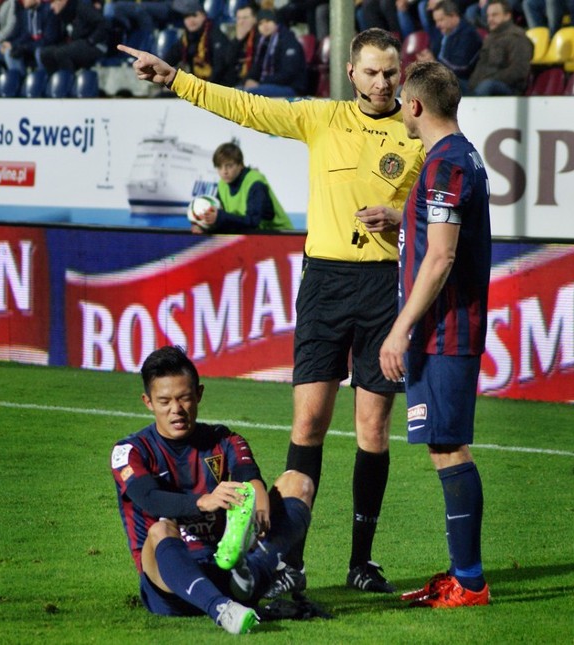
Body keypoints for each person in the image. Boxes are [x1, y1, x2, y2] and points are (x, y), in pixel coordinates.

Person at [117, 27, 425, 596]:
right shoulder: (322, 118)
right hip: (325, 285)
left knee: (372, 429)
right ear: (351, 73)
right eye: (373, 72)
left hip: (385, 287)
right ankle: (289, 560)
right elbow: (247, 106)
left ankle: (362, 561)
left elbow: (440, 213)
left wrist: (401, 220)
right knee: (308, 422)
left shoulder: (418, 132)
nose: (383, 82)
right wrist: (176, 79)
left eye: (391, 72)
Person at [379, 60, 491, 609]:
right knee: (443, 448)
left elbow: (442, 255)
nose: (399, 107)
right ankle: (461, 575)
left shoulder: (446, 165)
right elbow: (439, 232)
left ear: (416, 106)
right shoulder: (456, 157)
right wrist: (400, 217)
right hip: (442, 331)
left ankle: (470, 581)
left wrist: (400, 330)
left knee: (448, 447)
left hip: (443, 331)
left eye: (402, 100)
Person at [111, 345, 314, 635]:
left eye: (184, 398)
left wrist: (258, 509)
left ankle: (247, 572)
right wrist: (204, 502)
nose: (176, 410)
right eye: (164, 401)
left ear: (199, 394)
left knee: (298, 482)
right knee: (160, 530)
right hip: (169, 584)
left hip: (226, 566)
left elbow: (250, 477)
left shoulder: (224, 439)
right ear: (148, 402)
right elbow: (150, 499)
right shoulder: (130, 450)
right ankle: (221, 608)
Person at [191, 141, 293, 233]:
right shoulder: (222, 184)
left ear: (240, 165)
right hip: (254, 236)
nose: (224, 172)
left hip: (281, 235)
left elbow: (253, 222)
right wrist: (204, 226)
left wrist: (219, 217)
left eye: (229, 166)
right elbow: (222, 218)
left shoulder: (255, 182)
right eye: (219, 167)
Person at [468, 0, 533, 96]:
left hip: (508, 88)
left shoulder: (517, 37)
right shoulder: (490, 38)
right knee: (451, 85)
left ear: (507, 16)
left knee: (487, 86)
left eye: (494, 15)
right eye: (488, 16)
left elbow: (519, 70)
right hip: (482, 84)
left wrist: (490, 78)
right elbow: (480, 67)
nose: (490, 19)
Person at [415, 0, 483, 91]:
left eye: (441, 20)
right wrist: (427, 57)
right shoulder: (443, 33)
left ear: (453, 15)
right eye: (436, 21)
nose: (438, 25)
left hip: (462, 81)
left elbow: (461, 68)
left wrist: (434, 63)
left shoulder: (469, 34)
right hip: (443, 77)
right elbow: (436, 56)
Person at [164, 0, 233, 86]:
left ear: (203, 16)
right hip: (198, 87)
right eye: (186, 16)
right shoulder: (186, 38)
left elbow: (220, 68)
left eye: (194, 15)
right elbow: (169, 59)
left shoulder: (215, 35)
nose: (191, 20)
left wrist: (205, 88)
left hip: (218, 87)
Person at [243, 7, 307, 97]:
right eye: (260, 23)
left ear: (275, 21)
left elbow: (289, 73)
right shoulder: (263, 43)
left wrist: (260, 82)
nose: (264, 26)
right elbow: (256, 68)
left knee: (251, 93)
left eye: (268, 21)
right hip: (269, 84)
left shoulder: (288, 40)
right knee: (237, 91)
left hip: (290, 87)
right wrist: (249, 80)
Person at [39, 0, 109, 74]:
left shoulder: (81, 7)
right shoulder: (63, 14)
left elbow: (103, 24)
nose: (51, 7)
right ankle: (55, 81)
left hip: (95, 45)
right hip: (76, 45)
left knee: (62, 53)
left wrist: (91, 40)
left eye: (53, 2)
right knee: (45, 54)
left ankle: (69, 81)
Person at [1, 0, 61, 76]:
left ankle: (42, 81)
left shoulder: (49, 11)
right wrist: (10, 43)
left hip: (45, 48)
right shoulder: (24, 13)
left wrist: (23, 47)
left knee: (39, 52)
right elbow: (19, 34)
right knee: (8, 51)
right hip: (28, 47)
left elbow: (49, 40)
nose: (23, 1)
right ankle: (18, 84)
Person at [227, 1, 259, 88]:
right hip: (236, 81)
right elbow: (227, 62)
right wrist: (238, 40)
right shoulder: (238, 36)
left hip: (253, 82)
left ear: (255, 19)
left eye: (245, 18)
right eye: (238, 18)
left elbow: (258, 64)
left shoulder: (260, 36)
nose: (241, 22)